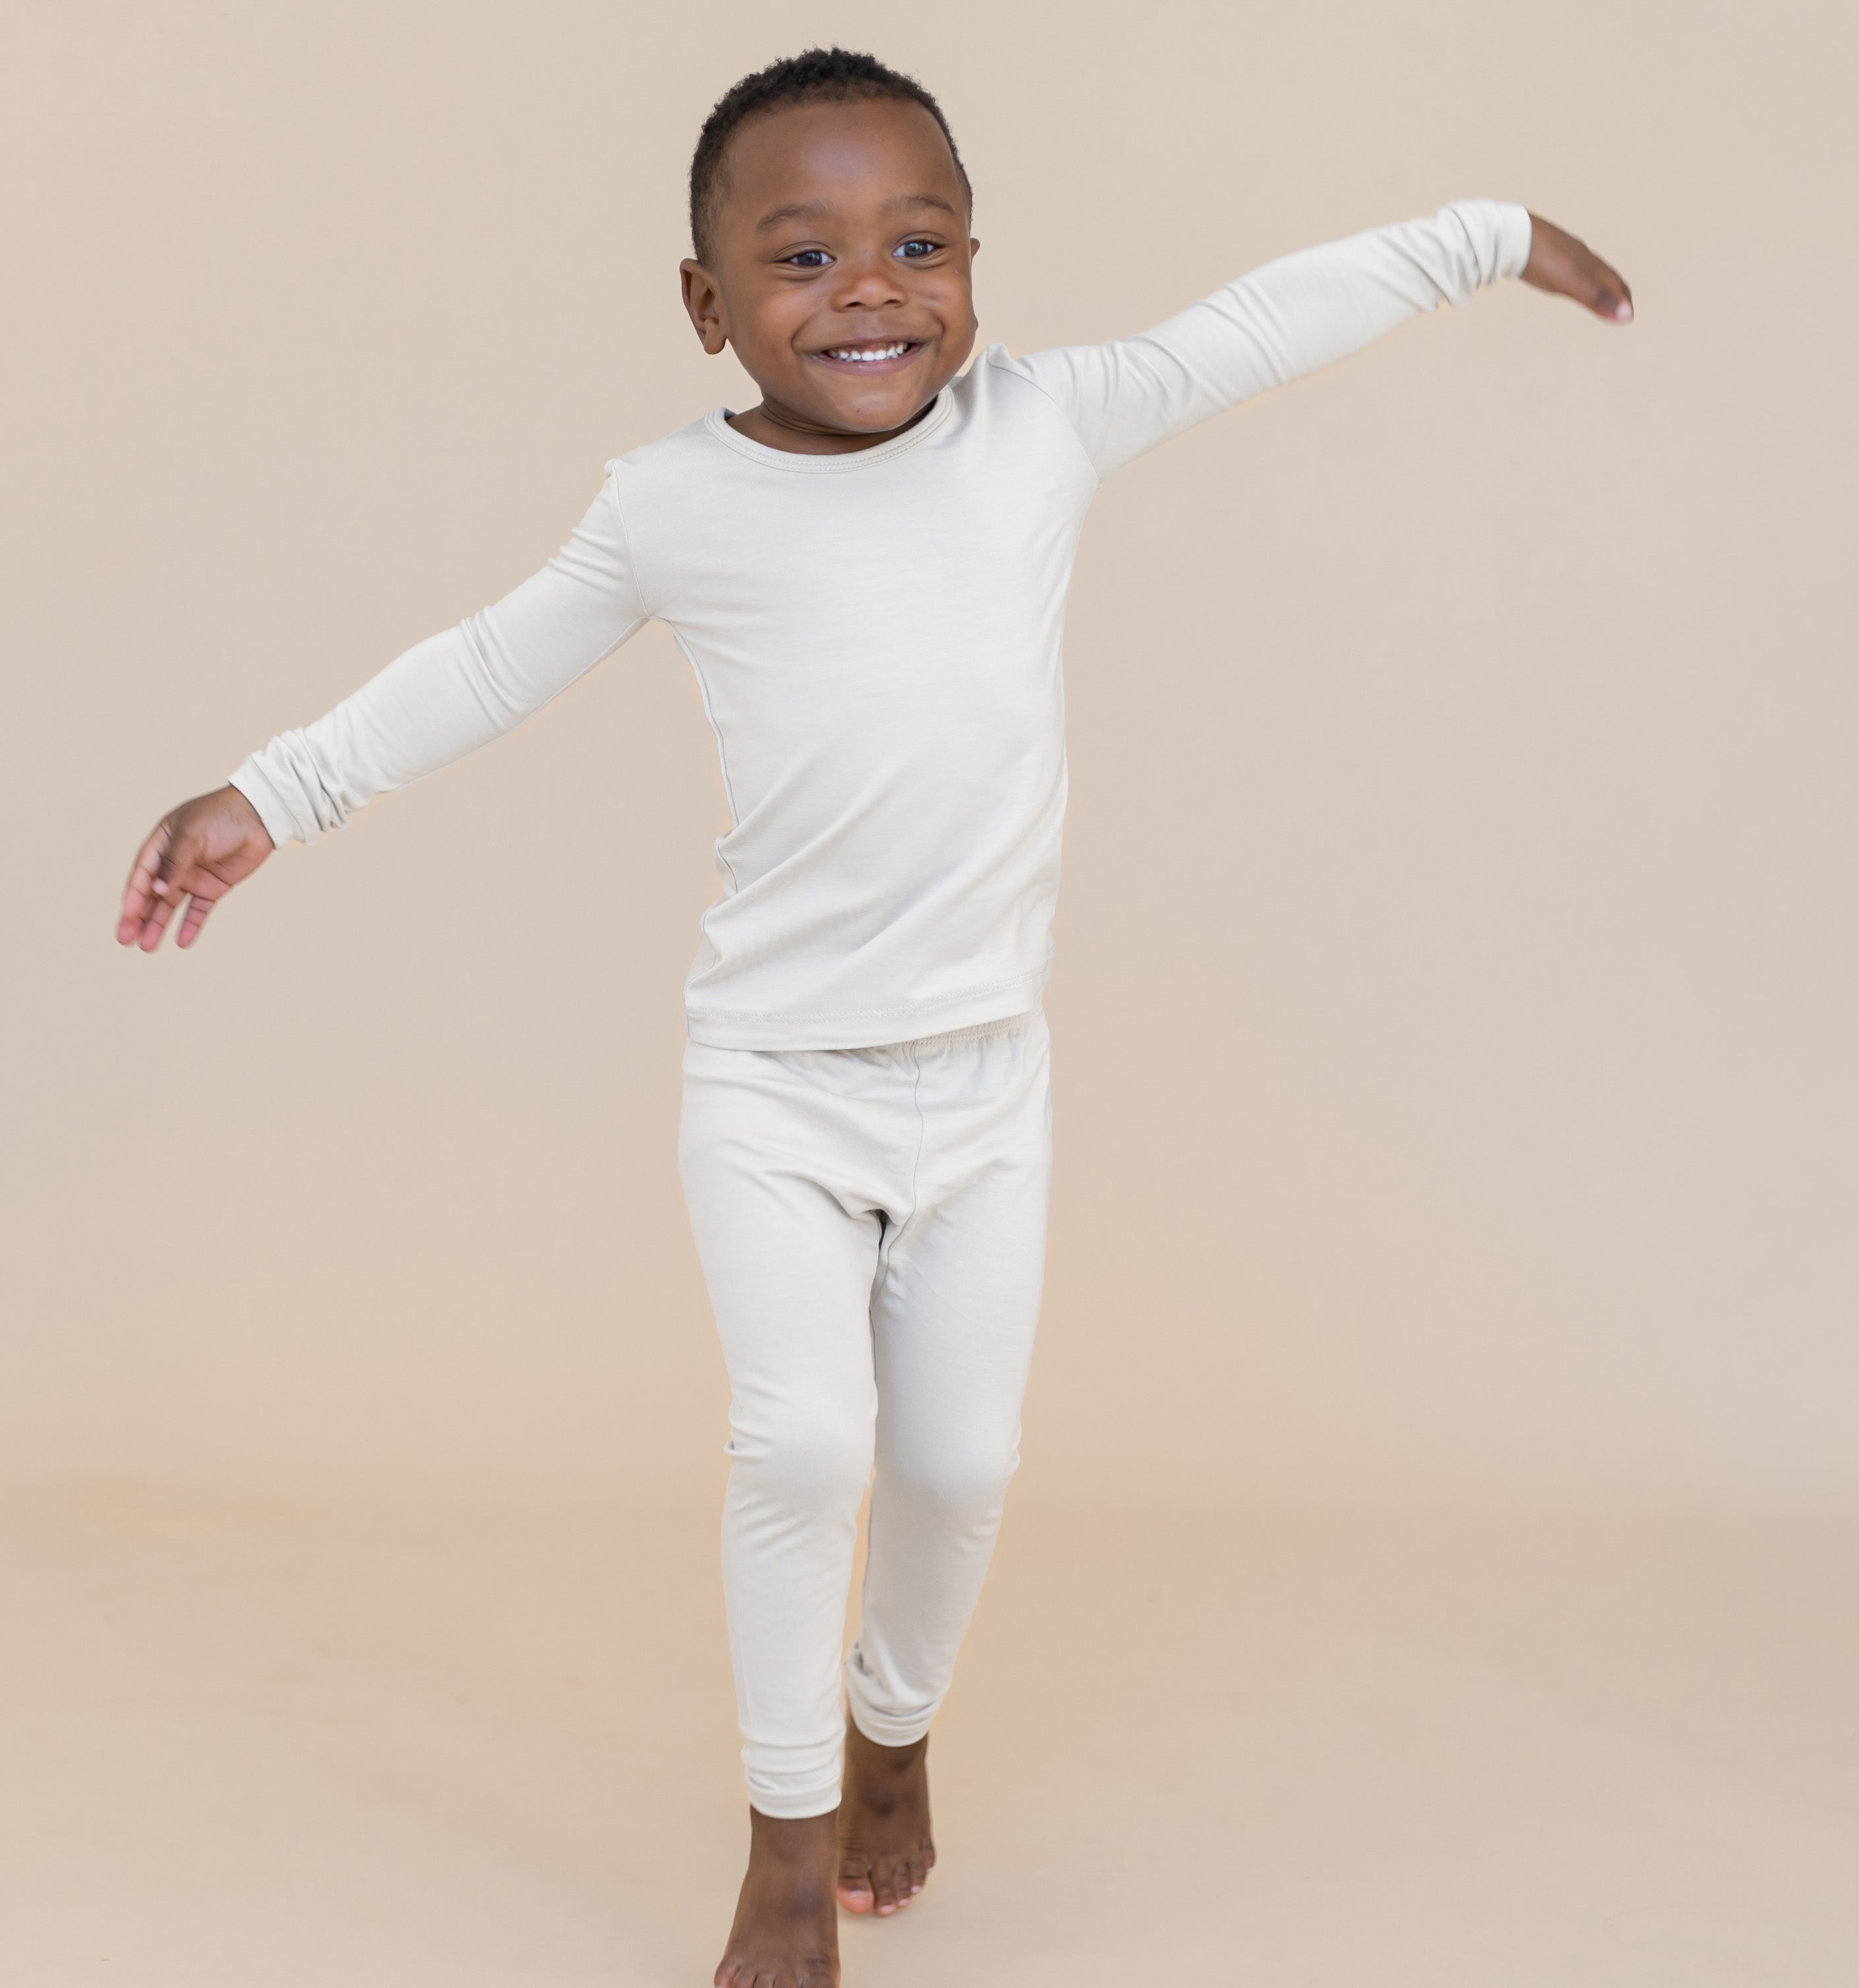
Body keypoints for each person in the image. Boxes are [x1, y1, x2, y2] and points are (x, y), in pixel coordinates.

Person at [114, 46, 1631, 1988]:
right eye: (805, 254)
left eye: (919, 243)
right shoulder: (671, 506)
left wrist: (1489, 237)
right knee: (804, 1443)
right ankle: (784, 1838)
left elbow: (1262, 322)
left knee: (963, 1466)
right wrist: (271, 795)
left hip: (989, 1090)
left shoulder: (1044, 427)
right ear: (706, 304)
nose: (871, 291)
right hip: (772, 1086)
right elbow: (481, 666)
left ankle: (893, 1732)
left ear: (981, 261)